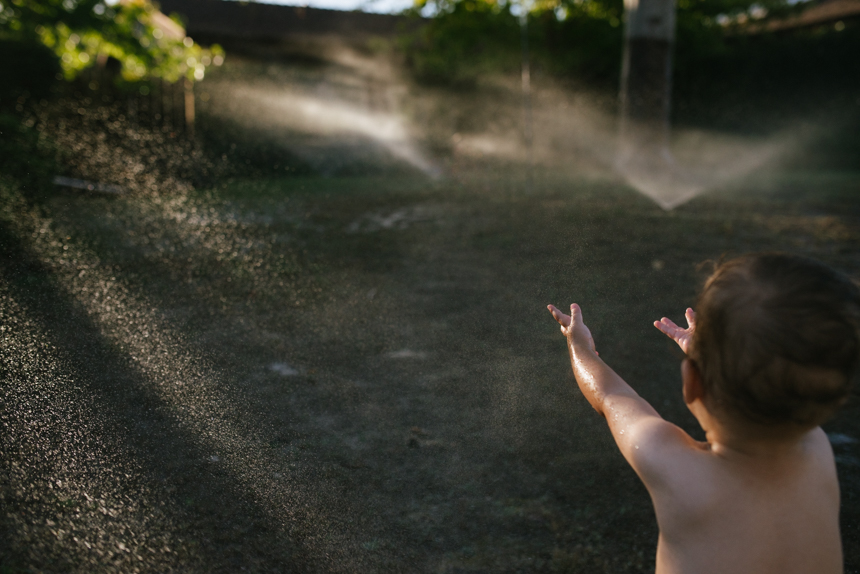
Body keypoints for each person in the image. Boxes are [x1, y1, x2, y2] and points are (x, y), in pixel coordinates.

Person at [547, 253, 860, 574]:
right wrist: (715, 359)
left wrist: (580, 346)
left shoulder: (677, 468)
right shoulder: (817, 449)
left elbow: (611, 397)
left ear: (692, 383)